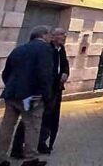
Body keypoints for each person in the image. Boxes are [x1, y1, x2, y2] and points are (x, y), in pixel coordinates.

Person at [0, 25, 54, 166]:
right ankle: (30, 158)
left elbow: (6, 73)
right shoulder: (44, 49)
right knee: (32, 125)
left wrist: (11, 87)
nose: (50, 37)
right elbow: (45, 74)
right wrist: (46, 95)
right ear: (43, 35)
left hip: (12, 94)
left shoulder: (18, 49)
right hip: (31, 96)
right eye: (49, 34)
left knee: (7, 126)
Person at [11, 28, 69, 157]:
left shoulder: (61, 49)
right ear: (52, 36)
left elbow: (65, 64)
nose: (64, 36)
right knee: (28, 119)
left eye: (65, 34)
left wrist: (65, 73)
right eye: (61, 34)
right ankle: (18, 147)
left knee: (48, 118)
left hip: (55, 90)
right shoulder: (45, 49)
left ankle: (41, 142)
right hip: (39, 90)